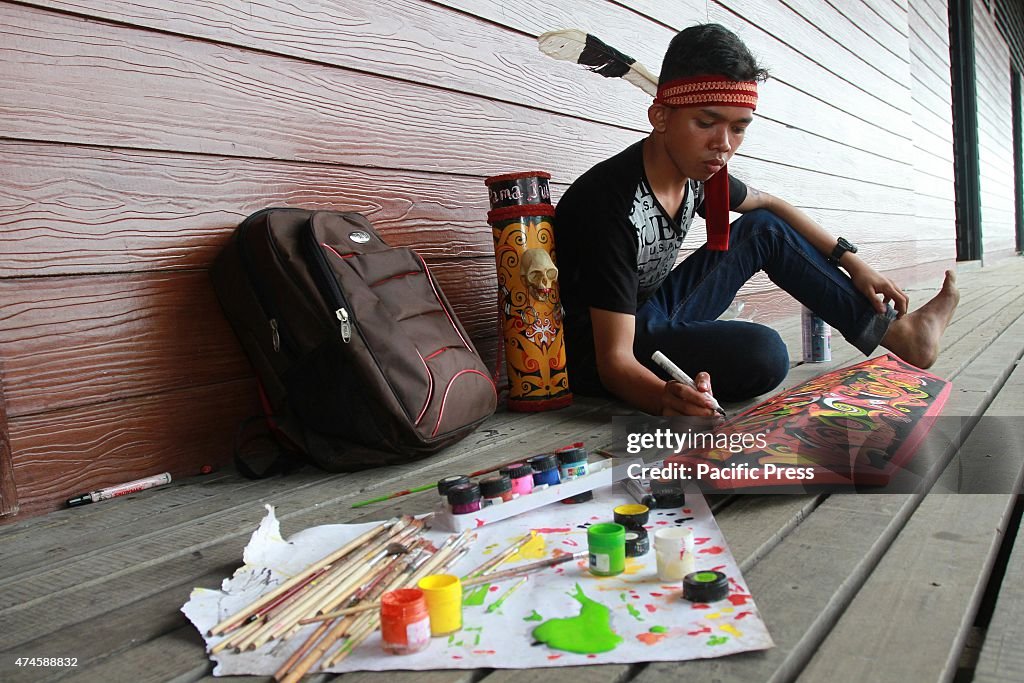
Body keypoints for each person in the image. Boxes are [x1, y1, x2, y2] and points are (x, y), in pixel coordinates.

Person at [553, 23, 959, 418]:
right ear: (660, 117)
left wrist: (852, 260)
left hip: (652, 311)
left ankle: (903, 335)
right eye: (706, 123)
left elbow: (770, 205)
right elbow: (613, 361)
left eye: (738, 128)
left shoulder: (701, 170)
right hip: (596, 352)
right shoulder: (611, 205)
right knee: (763, 353)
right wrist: (664, 398)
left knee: (763, 227)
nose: (723, 146)